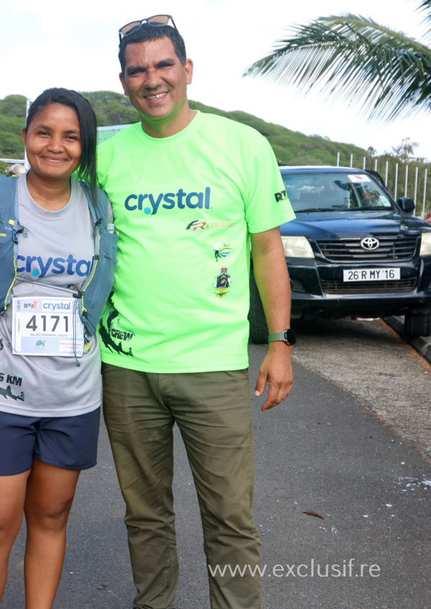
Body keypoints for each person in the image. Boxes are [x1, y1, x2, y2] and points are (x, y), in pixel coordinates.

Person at [97, 16, 296, 609]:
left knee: (230, 517)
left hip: (213, 365)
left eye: (163, 65)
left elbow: (267, 249)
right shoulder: (104, 152)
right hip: (125, 365)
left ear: (187, 70)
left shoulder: (243, 144)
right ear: (124, 80)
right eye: (138, 70)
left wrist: (281, 342)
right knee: (145, 514)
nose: (151, 79)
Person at [0, 87, 117, 609]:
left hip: (72, 395)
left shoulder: (99, 207)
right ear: (25, 136)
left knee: (50, 517)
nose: (56, 145)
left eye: (71, 137)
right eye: (44, 132)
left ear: (85, 146)